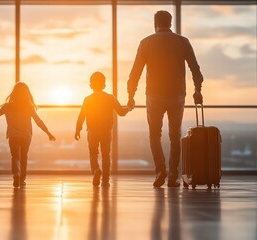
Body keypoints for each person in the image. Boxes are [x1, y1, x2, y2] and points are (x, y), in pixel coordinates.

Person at [127, 10, 204, 188]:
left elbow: (135, 72)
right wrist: (197, 90)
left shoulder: (146, 42)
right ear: (170, 23)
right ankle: (172, 176)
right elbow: (195, 69)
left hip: (154, 95)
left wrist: (131, 95)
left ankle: (160, 171)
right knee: (175, 136)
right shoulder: (183, 42)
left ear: (155, 23)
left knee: (155, 135)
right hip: (177, 94)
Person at [0, 82, 56, 188]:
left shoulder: (8, 106)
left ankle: (16, 174)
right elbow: (38, 121)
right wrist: (48, 133)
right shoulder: (29, 107)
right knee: (23, 157)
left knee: (15, 157)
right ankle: (22, 178)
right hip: (26, 136)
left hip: (13, 135)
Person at [75, 72, 131, 187]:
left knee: (93, 153)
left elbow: (81, 116)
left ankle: (96, 170)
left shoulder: (88, 99)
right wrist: (129, 108)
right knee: (106, 156)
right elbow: (121, 112)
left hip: (92, 130)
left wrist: (77, 130)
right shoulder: (110, 98)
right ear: (104, 85)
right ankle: (105, 180)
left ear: (91, 85)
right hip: (106, 131)